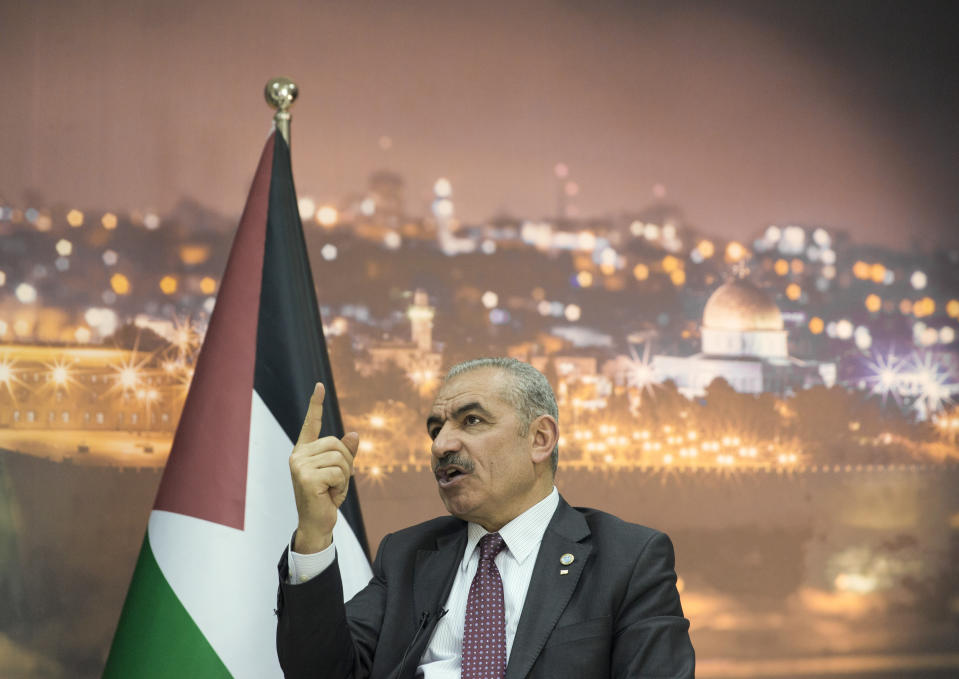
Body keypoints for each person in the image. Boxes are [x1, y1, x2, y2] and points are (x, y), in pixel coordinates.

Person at [276, 357, 694, 678]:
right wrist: (315, 530)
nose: (442, 444)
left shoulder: (629, 559)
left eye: (471, 421)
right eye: (435, 429)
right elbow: (320, 672)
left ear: (539, 439)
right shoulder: (407, 555)